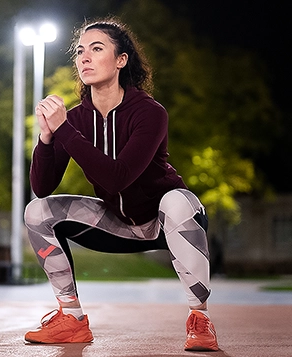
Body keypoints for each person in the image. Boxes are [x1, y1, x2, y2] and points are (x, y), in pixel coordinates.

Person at [23, 18, 219, 351]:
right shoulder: (75, 118)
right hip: (117, 223)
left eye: (97, 49)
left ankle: (200, 319)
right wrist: (45, 138)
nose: (85, 57)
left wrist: (65, 131)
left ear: (121, 60)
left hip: (165, 221)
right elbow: (43, 186)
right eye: (80, 51)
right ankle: (71, 318)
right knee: (37, 211)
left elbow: (118, 176)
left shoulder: (149, 112)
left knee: (179, 200)